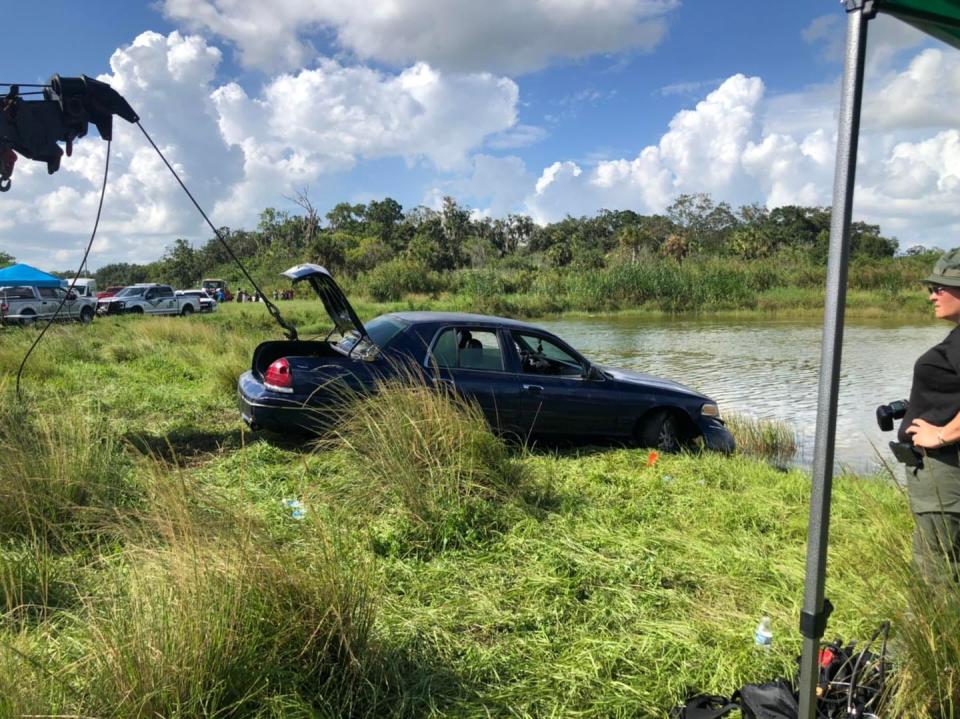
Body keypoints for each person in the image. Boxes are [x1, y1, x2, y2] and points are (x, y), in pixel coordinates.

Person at [901, 249, 960, 583]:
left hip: (948, 477)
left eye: (940, 287)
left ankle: (932, 636)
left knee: (937, 574)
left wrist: (941, 434)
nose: (931, 296)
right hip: (944, 479)